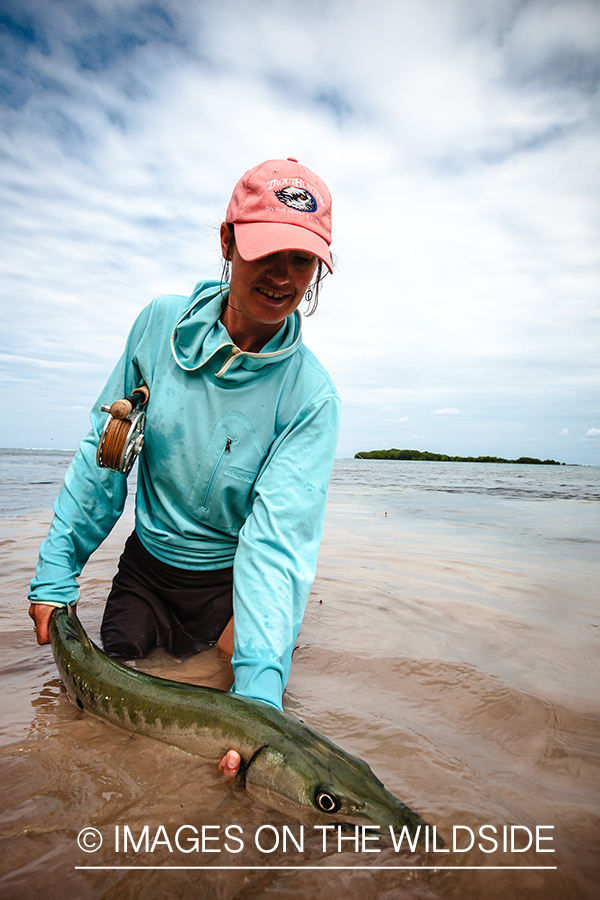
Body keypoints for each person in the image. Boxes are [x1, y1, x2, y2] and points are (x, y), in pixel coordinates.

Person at [28, 158, 340, 778]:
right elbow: (105, 456)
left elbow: (277, 546)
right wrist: (56, 572)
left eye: (301, 260)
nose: (282, 277)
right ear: (227, 242)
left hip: (228, 589)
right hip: (147, 569)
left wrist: (256, 703)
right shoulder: (156, 327)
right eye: (265, 252)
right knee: (94, 713)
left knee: (248, 712)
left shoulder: (311, 397)